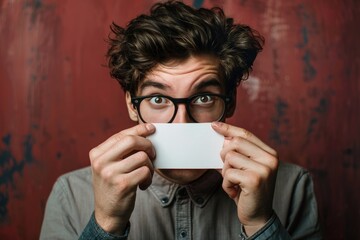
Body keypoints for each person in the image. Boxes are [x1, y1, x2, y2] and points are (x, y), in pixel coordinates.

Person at [40, 1, 322, 239]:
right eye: (159, 99)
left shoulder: (291, 186)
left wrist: (261, 223)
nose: (181, 124)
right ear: (131, 105)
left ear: (230, 101)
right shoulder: (72, 195)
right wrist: (106, 225)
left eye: (203, 98)